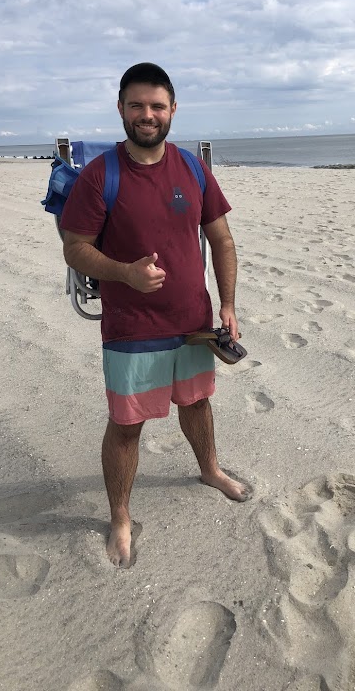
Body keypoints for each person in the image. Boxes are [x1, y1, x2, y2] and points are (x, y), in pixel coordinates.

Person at [60, 62, 249, 568]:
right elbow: (75, 248)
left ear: (172, 110)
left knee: (198, 404)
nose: (148, 115)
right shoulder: (103, 175)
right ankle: (120, 515)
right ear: (121, 109)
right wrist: (124, 273)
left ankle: (209, 469)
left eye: (157, 106)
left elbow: (222, 240)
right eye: (137, 105)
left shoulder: (191, 167)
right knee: (127, 425)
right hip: (131, 328)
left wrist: (227, 305)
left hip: (193, 321)